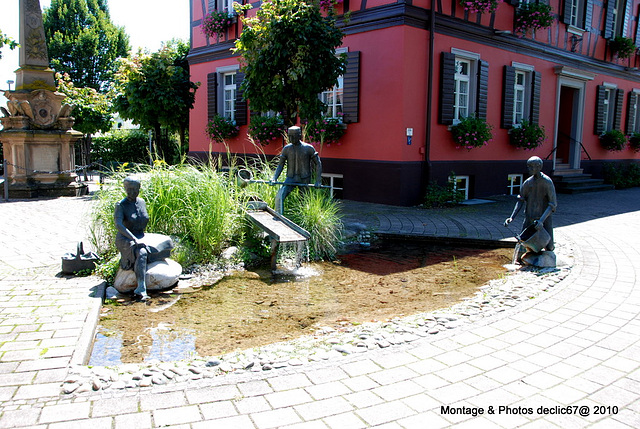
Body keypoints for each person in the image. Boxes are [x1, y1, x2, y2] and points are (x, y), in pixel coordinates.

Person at [114, 176, 173, 300]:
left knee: (167, 242)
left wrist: (141, 238)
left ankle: (148, 260)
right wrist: (134, 239)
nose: (132, 192)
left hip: (141, 235)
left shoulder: (141, 202)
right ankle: (141, 287)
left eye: (134, 189)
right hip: (125, 238)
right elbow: (118, 225)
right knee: (141, 252)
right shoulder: (121, 205)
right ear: (125, 189)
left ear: (139, 189)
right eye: (129, 189)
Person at [504, 156, 557, 251]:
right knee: (522, 244)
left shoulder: (547, 182)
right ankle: (524, 260)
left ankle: (543, 260)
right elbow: (520, 200)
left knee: (549, 247)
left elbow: (552, 204)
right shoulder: (528, 183)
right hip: (529, 217)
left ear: (539, 167)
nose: (529, 169)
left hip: (544, 218)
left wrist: (541, 221)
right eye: (528, 166)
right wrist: (512, 217)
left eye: (531, 166)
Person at [272, 126, 322, 213]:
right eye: (289, 136)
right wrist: (274, 178)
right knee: (280, 197)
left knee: (304, 201)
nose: (291, 138)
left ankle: (303, 220)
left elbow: (318, 163)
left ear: (299, 136)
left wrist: (318, 181)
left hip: (304, 178)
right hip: (291, 178)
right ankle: (279, 217)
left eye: (293, 136)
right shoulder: (286, 149)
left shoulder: (308, 148)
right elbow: (280, 165)